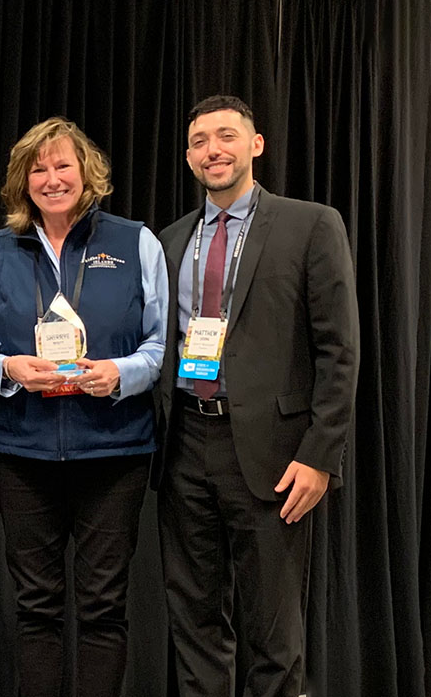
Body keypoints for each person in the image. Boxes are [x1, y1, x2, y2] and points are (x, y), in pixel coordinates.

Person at [153, 95, 360, 697]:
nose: (212, 150)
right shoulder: (169, 241)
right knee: (195, 627)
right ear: (189, 157)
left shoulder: (311, 224)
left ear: (255, 144)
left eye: (225, 136)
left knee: (273, 635)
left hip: (275, 456)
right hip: (185, 446)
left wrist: (321, 454)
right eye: (199, 141)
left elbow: (339, 352)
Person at [0, 116, 168, 697]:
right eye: (38, 168)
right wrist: (8, 368)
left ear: (87, 174)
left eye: (63, 166)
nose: (52, 178)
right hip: (22, 452)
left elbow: (159, 345)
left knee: (104, 608)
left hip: (114, 450)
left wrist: (119, 374)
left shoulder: (135, 242)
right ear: (22, 181)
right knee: (36, 608)